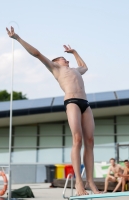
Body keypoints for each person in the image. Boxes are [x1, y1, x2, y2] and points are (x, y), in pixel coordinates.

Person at [6, 26, 100, 196]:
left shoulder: (75, 70)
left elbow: (84, 67)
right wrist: (18, 38)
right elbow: (36, 53)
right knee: (77, 139)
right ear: (57, 62)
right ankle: (78, 182)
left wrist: (75, 52)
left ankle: (90, 182)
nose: (68, 61)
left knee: (90, 141)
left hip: (85, 103)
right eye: (65, 59)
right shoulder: (56, 68)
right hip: (72, 102)